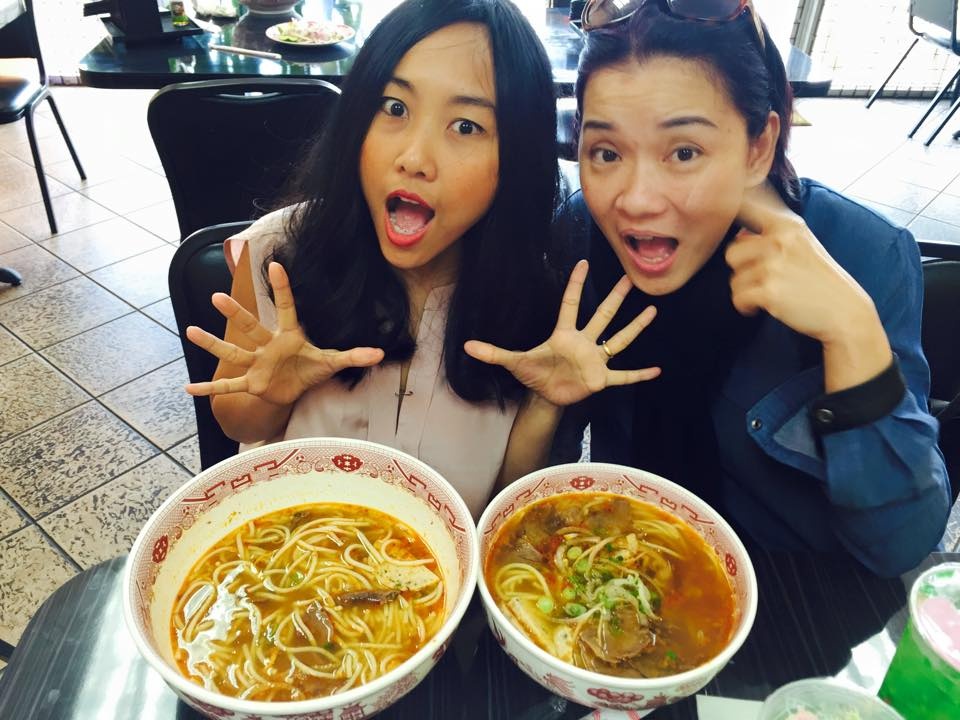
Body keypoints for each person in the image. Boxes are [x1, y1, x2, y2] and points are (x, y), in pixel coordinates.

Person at [471, 0, 951, 577]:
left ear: (759, 147)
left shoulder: (862, 255)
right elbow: (534, 502)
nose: (636, 200)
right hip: (629, 575)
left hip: (801, 602)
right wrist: (546, 402)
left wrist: (853, 337)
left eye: (684, 152)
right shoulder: (581, 236)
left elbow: (900, 546)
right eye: (606, 153)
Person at [182, 0, 660, 519]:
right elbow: (236, 423)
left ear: (517, 157)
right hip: (293, 551)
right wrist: (272, 396)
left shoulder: (539, 297)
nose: (414, 158)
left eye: (466, 126)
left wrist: (546, 404)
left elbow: (505, 507)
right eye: (394, 108)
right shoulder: (282, 252)